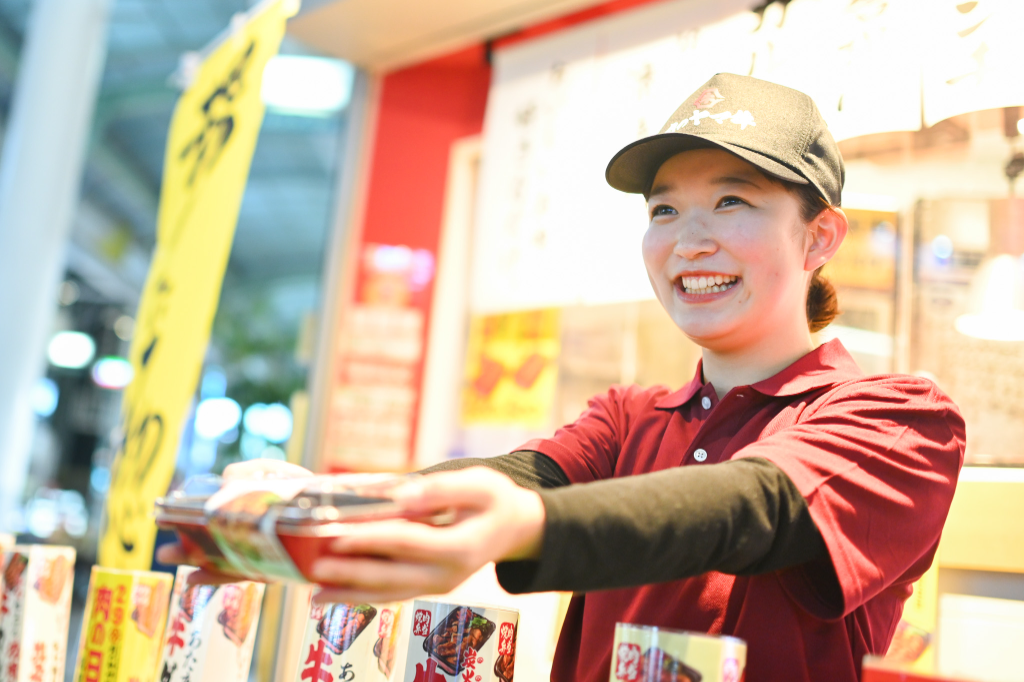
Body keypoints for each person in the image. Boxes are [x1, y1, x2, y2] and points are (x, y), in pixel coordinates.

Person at [160, 74, 965, 682]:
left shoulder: (898, 419)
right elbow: (515, 478)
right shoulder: (630, 416)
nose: (689, 241)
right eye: (663, 211)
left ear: (820, 236)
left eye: (731, 201)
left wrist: (517, 525)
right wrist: (323, 509)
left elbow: (750, 505)